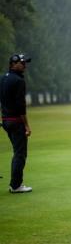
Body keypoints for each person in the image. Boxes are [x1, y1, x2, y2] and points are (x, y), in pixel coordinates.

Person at [0, 54, 32, 193]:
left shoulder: (3, 78)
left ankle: (15, 184)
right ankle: (16, 185)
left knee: (16, 152)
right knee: (20, 154)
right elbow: (21, 106)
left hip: (5, 121)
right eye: (21, 63)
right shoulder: (19, 81)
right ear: (13, 64)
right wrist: (26, 125)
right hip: (16, 122)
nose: (24, 65)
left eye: (25, 63)